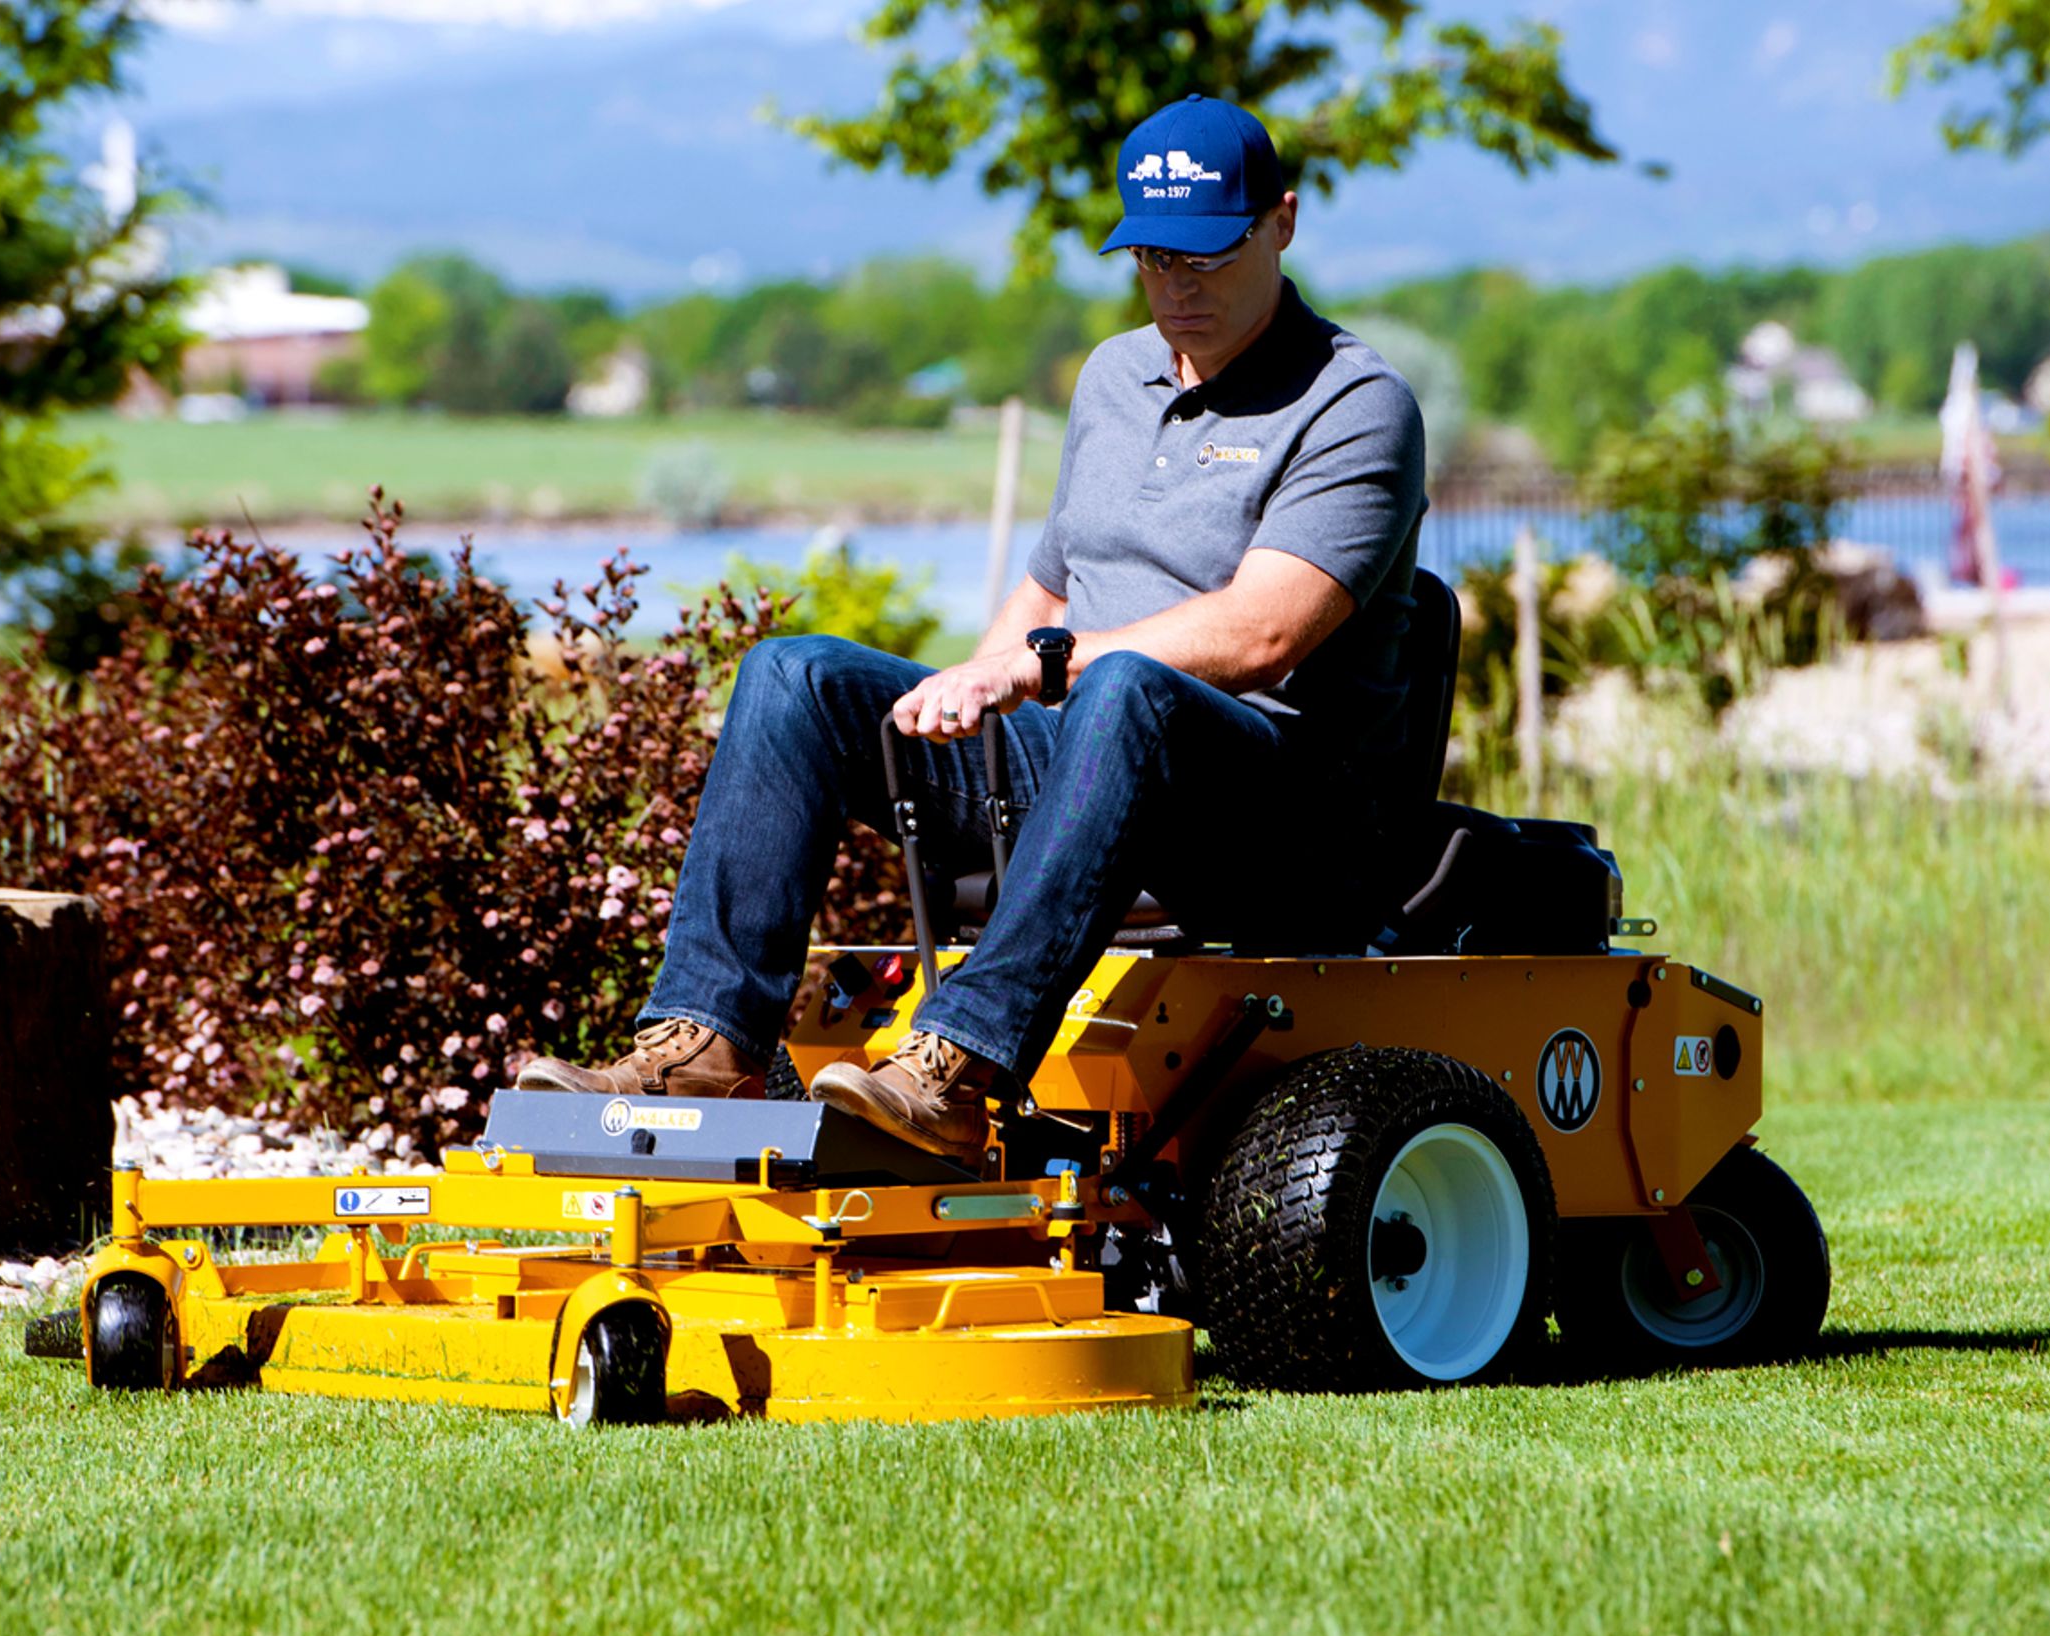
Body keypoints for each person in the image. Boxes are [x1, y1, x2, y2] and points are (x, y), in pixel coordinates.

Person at [517, 93, 1429, 1163]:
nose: (1177, 289)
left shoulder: (1355, 401)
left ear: (1281, 222)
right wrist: (970, 686)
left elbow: (1265, 631)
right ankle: (706, 1039)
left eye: (1207, 258)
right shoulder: (1112, 377)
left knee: (1125, 688)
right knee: (793, 675)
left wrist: (1039, 669)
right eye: (1152, 260)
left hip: (1271, 807)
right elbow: (1051, 586)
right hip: (1096, 750)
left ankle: (956, 1068)